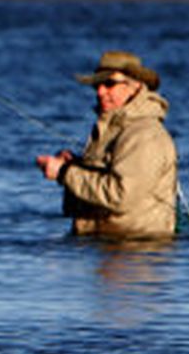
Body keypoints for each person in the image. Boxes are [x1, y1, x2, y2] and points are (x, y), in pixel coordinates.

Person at [35, 50, 177, 238]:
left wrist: (64, 173)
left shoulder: (145, 135)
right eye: (97, 85)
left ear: (136, 87)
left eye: (109, 84)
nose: (101, 91)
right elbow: (86, 200)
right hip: (103, 248)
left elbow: (121, 196)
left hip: (136, 253)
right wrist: (75, 166)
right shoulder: (110, 131)